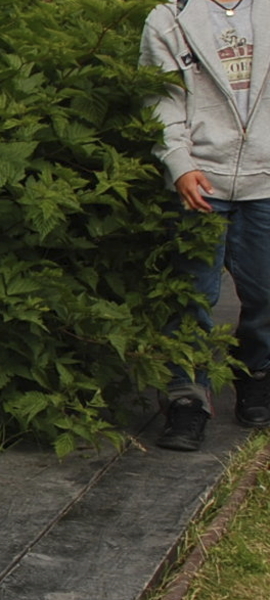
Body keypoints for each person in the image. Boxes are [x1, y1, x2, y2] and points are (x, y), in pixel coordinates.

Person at [141, 0, 270, 453]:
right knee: (192, 293)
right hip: (200, 180)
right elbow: (161, 99)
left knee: (265, 290)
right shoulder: (169, 18)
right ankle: (186, 395)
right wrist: (179, 163)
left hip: (265, 179)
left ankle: (256, 370)